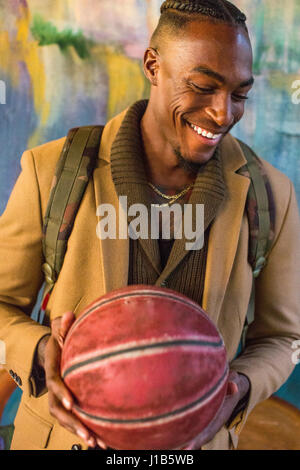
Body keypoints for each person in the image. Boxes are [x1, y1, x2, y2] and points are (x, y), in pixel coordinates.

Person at [0, 0, 299, 451]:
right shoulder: (51, 172)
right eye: (202, 87)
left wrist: (238, 386)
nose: (223, 114)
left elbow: (285, 339)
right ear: (153, 66)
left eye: (239, 95)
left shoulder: (272, 195)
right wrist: (42, 352)